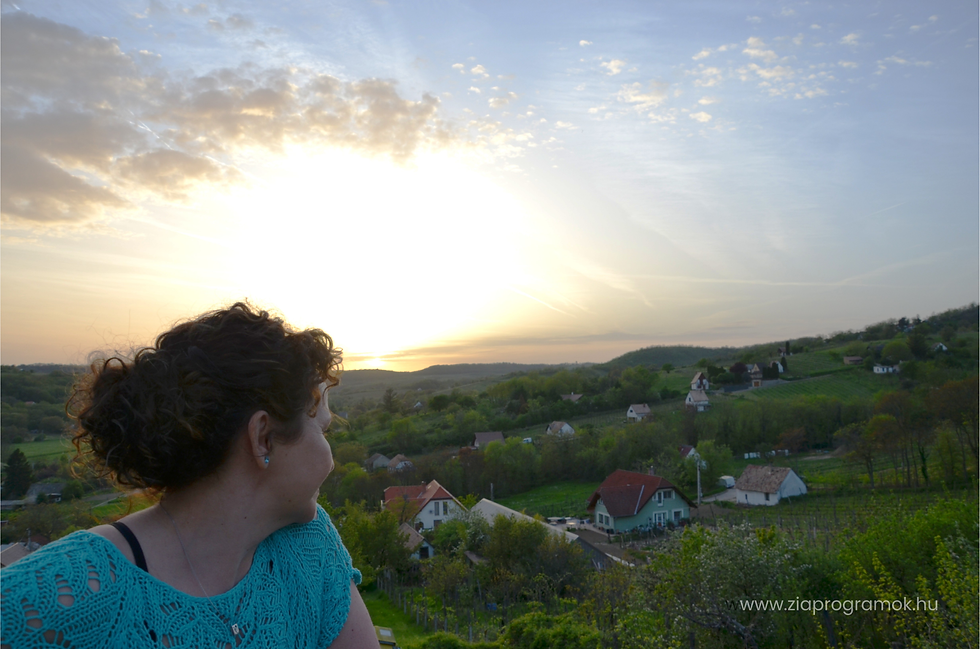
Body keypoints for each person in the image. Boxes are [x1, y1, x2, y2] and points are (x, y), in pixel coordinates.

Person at [0, 303, 376, 648]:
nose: (331, 456)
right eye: (323, 430)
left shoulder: (310, 547)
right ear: (263, 437)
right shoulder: (60, 594)